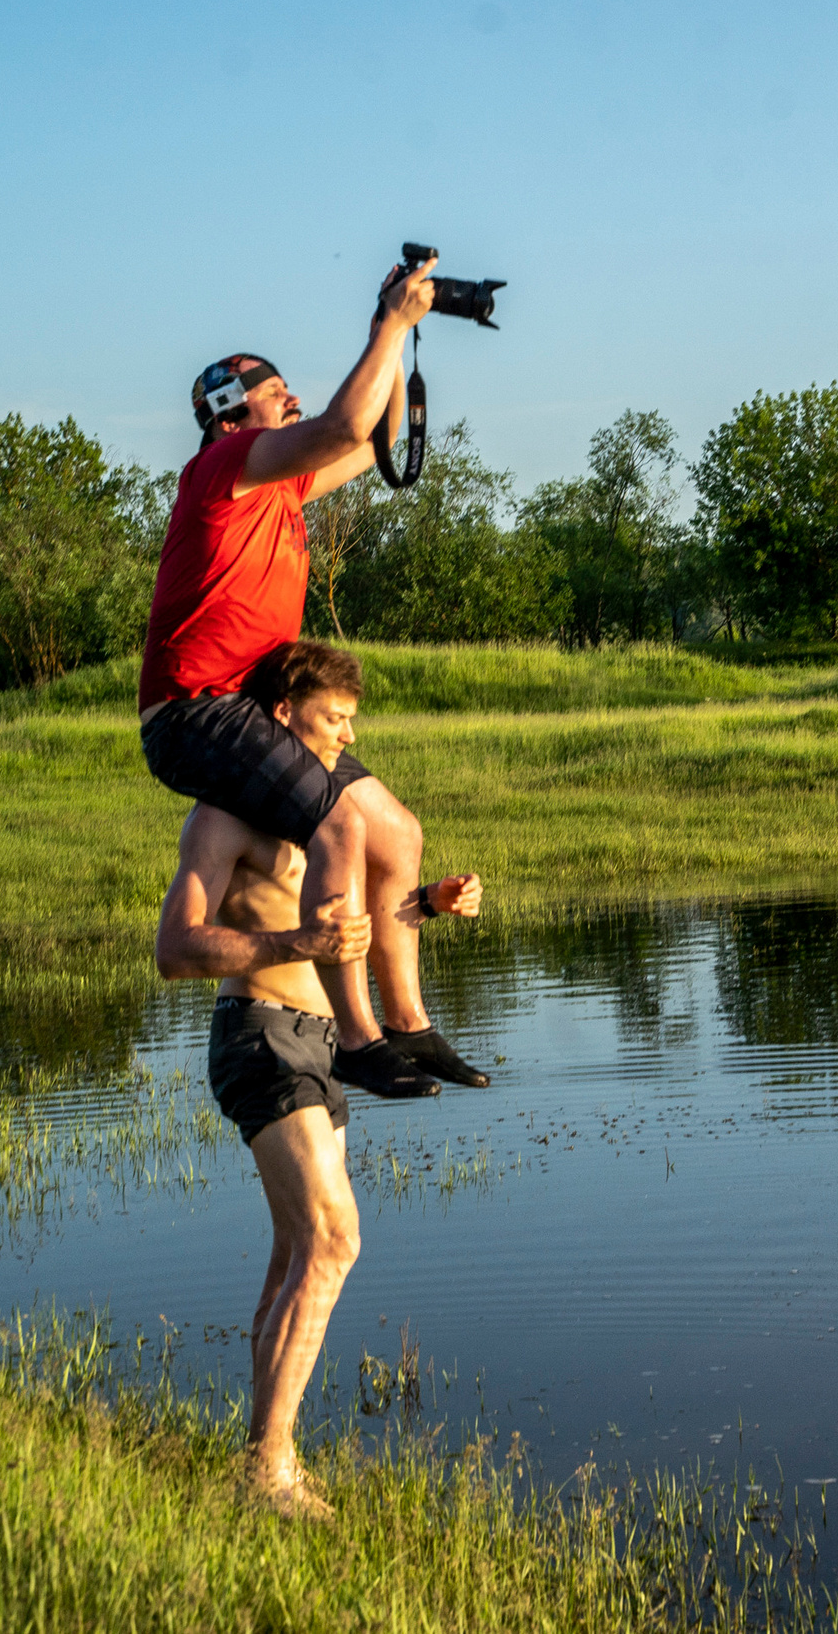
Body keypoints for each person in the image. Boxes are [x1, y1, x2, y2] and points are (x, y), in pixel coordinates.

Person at [154, 641, 483, 1518]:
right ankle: (269, 1471)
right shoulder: (222, 819)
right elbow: (174, 947)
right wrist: (289, 945)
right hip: (258, 1032)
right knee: (335, 1240)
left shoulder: (330, 822)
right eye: (332, 718)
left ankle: (258, 1460)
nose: (345, 737)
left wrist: (430, 905)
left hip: (320, 1039)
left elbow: (361, 923)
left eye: (350, 722)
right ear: (280, 717)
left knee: (299, 1249)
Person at [139, 256, 483, 1094]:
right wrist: (397, 325)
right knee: (338, 830)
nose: (290, 399)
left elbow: (370, 441)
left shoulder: (278, 492)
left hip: (252, 707)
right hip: (194, 711)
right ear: (230, 421)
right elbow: (337, 426)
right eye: (275, 391)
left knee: (395, 834)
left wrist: (385, 327)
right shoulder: (222, 471)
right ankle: (359, 1039)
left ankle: (407, 1022)